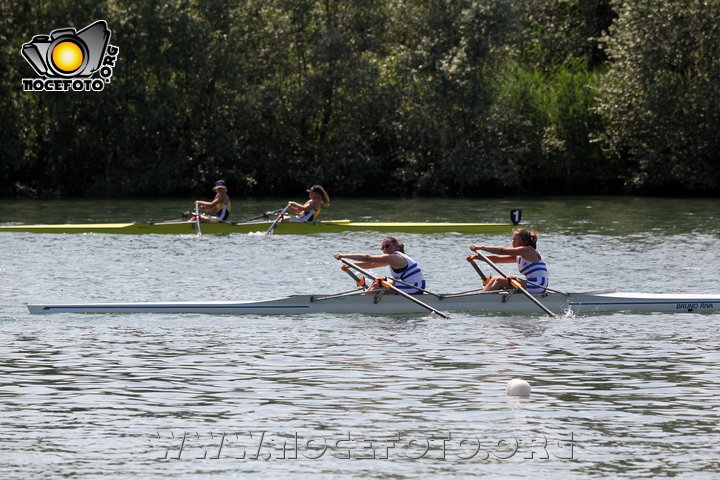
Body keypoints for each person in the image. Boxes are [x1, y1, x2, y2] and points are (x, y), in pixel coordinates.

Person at [333, 237, 426, 294]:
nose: (384, 249)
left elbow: (367, 257)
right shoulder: (394, 258)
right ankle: (366, 297)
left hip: (414, 288)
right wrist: (351, 265)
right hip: (411, 286)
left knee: (378, 284)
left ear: (396, 246)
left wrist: (343, 255)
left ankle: (363, 300)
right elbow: (371, 264)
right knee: (378, 281)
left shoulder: (394, 257)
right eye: (382, 247)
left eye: (387, 246)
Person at [468, 228, 549, 293]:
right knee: (495, 279)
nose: (512, 242)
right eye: (512, 239)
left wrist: (480, 247)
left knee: (499, 280)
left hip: (538, 285)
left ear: (525, 241)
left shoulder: (526, 250)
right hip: (532, 283)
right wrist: (476, 257)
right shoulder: (520, 255)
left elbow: (501, 251)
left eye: (515, 239)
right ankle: (485, 296)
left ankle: (481, 299)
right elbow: (497, 259)